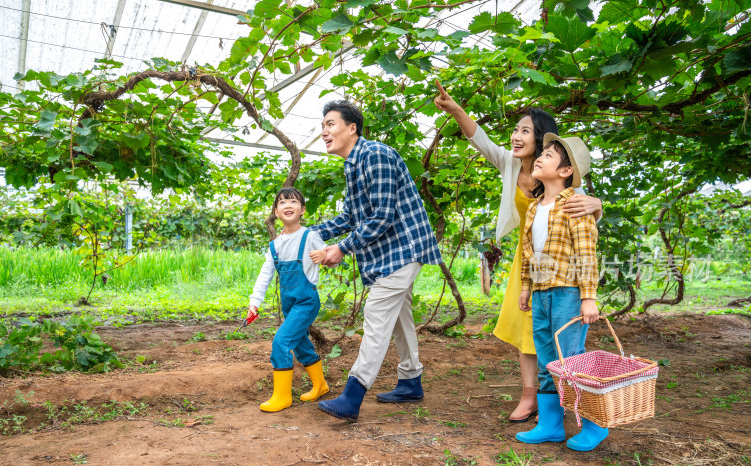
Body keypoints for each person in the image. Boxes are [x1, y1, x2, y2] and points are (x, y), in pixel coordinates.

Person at [433, 81, 603, 423]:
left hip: (560, 267)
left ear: (542, 139)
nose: (515, 135)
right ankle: (531, 398)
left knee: (558, 335)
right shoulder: (511, 165)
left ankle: (570, 402)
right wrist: (454, 109)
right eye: (515, 129)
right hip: (527, 263)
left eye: (524, 130)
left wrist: (598, 205)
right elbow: (479, 139)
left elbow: (584, 216)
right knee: (529, 330)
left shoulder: (559, 172)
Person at [309, 100, 443, 422]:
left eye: (330, 124)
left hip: (403, 249)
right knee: (399, 320)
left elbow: (382, 216)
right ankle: (411, 381)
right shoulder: (353, 164)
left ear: (351, 128)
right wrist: (306, 234)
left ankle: (353, 395)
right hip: (389, 253)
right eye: (322, 125)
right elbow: (351, 216)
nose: (324, 131)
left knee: (377, 314)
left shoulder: (375, 156)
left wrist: (341, 248)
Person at [516, 134, 608, 452]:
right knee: (546, 361)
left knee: (570, 360)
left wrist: (588, 296)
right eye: (541, 153)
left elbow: (586, 254)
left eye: (550, 156)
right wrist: (527, 289)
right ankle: (550, 424)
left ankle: (595, 424)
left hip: (568, 292)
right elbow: (530, 254)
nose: (540, 158)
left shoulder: (574, 206)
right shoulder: (533, 209)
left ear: (566, 171)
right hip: (542, 294)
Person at [249, 187, 331, 412]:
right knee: (301, 344)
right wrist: (254, 302)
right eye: (282, 202)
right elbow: (265, 274)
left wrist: (324, 255)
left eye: (293, 202)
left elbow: (331, 255)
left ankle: (282, 396)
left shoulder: (309, 236)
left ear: (302, 210)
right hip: (290, 305)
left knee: (282, 342)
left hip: (306, 301)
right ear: (276, 212)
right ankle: (320, 385)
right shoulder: (275, 244)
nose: (288, 205)